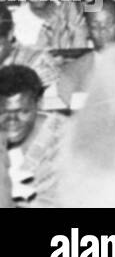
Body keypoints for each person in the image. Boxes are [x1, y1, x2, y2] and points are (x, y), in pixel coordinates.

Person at [0, 64, 66, 207]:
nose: (12, 121)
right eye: (3, 112)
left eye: (23, 112)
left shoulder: (63, 140)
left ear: (39, 103)